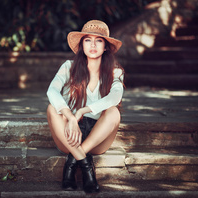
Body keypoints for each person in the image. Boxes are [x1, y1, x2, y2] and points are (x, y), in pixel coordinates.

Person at [46, 20, 124, 193]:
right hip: (69, 137)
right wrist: (70, 117)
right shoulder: (68, 67)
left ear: (106, 47)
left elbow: (115, 96)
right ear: (82, 45)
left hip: (97, 139)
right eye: (88, 40)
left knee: (114, 112)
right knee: (52, 108)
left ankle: (71, 163)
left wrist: (82, 110)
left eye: (99, 40)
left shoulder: (115, 71)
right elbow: (52, 91)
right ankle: (86, 166)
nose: (93, 45)